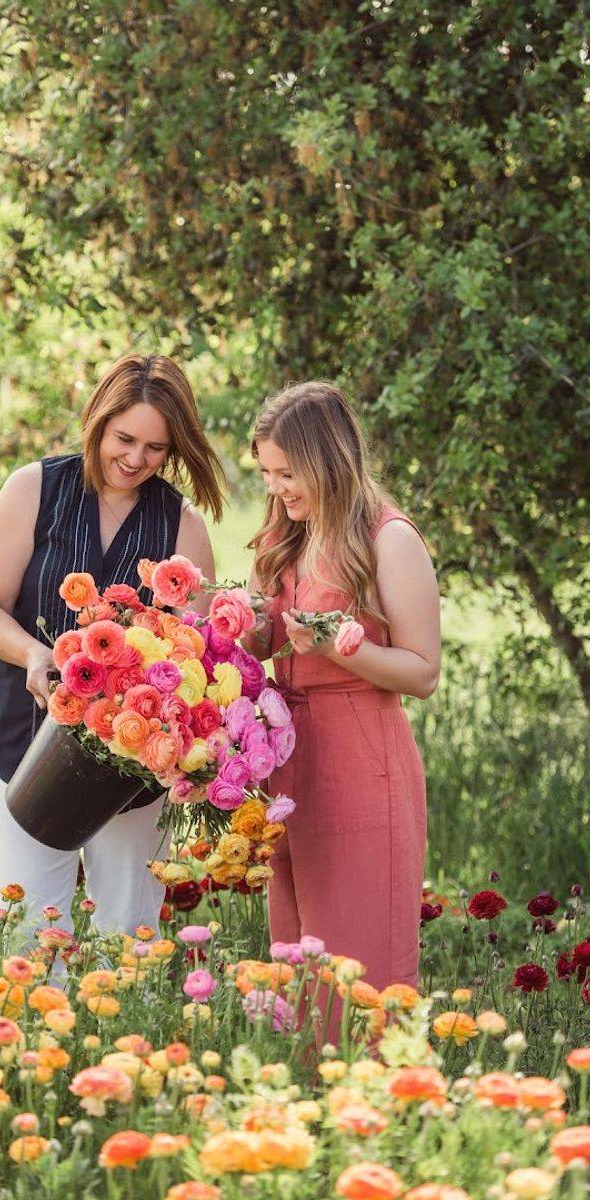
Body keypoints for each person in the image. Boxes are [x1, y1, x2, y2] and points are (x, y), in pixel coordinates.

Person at [0, 354, 223, 954]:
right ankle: (37, 1046)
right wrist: (35, 656)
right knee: (30, 932)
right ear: (97, 421)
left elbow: (200, 655)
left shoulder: (182, 525)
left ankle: (129, 1044)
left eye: (157, 448)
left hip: (135, 767)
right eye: (125, 438)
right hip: (23, 741)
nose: (136, 459)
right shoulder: (33, 490)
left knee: (131, 932)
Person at [242, 381, 440, 998]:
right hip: (290, 761)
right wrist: (227, 626)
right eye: (268, 473)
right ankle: (310, 1087)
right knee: (299, 949)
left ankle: (376, 1083)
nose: (276, 488)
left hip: (361, 760)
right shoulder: (287, 536)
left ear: (327, 459)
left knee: (358, 954)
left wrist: (340, 650)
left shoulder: (389, 539)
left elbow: (422, 672)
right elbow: (263, 641)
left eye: (287, 472)